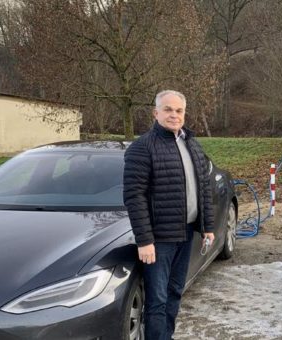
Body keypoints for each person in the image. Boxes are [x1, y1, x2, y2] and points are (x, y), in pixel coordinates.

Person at [123, 90, 215, 340]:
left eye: (179, 110)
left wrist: (208, 226)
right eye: (168, 109)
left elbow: (203, 187)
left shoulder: (191, 144)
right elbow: (135, 196)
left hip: (185, 233)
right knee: (157, 300)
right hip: (159, 239)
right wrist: (144, 240)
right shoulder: (142, 148)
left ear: (184, 114)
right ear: (155, 112)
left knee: (175, 292)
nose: (174, 115)